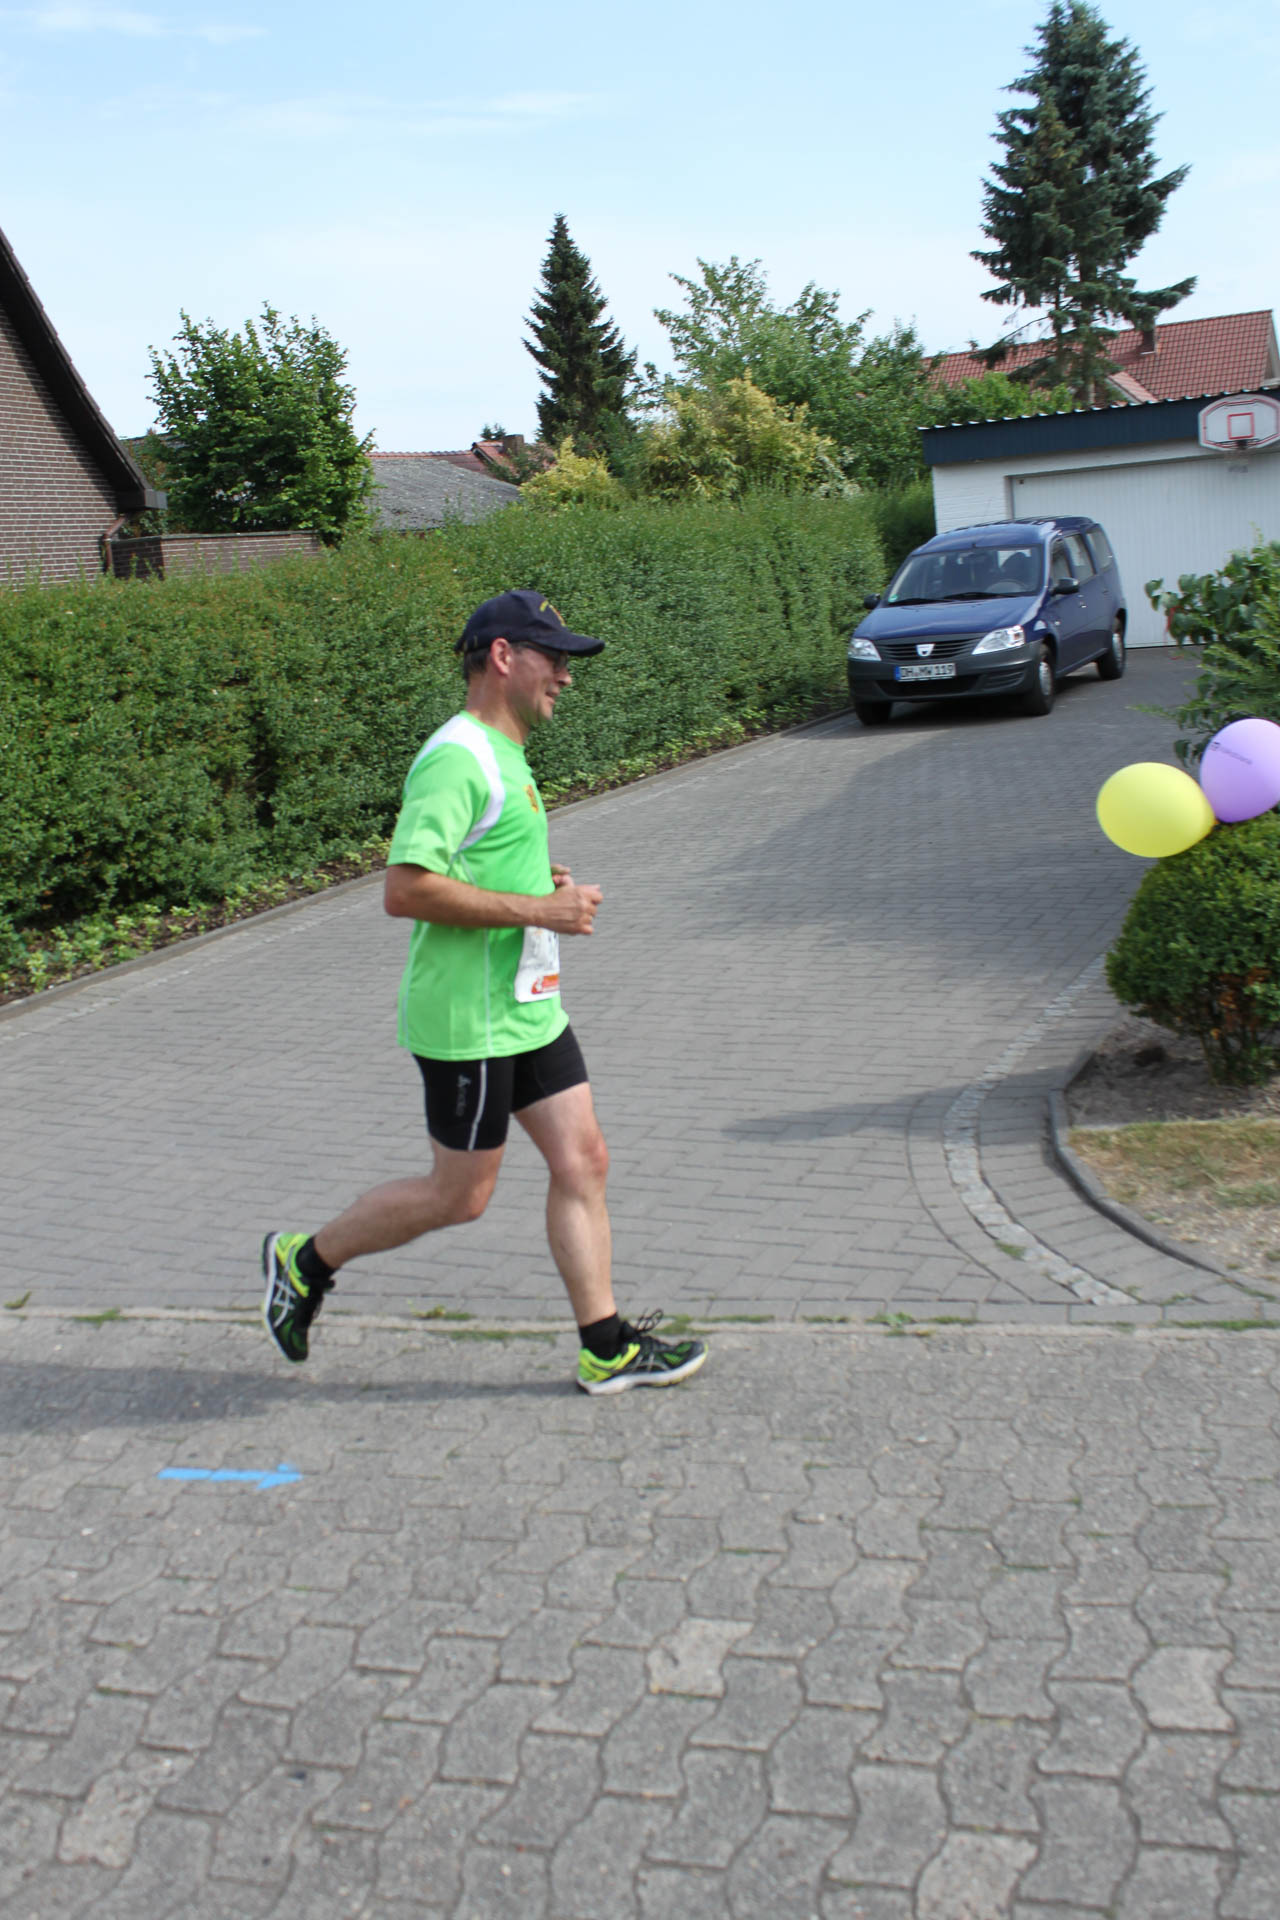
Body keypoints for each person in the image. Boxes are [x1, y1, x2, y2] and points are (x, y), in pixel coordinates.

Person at [261, 589, 707, 1396]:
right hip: (469, 1019)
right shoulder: (457, 756)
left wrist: (538, 880)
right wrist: (540, 910)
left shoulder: (506, 752)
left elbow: (474, 860)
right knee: (460, 1196)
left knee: (584, 1159)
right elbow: (405, 888)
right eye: (554, 658)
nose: (566, 676)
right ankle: (306, 1261)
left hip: (526, 1007)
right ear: (503, 656)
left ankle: (605, 1346)